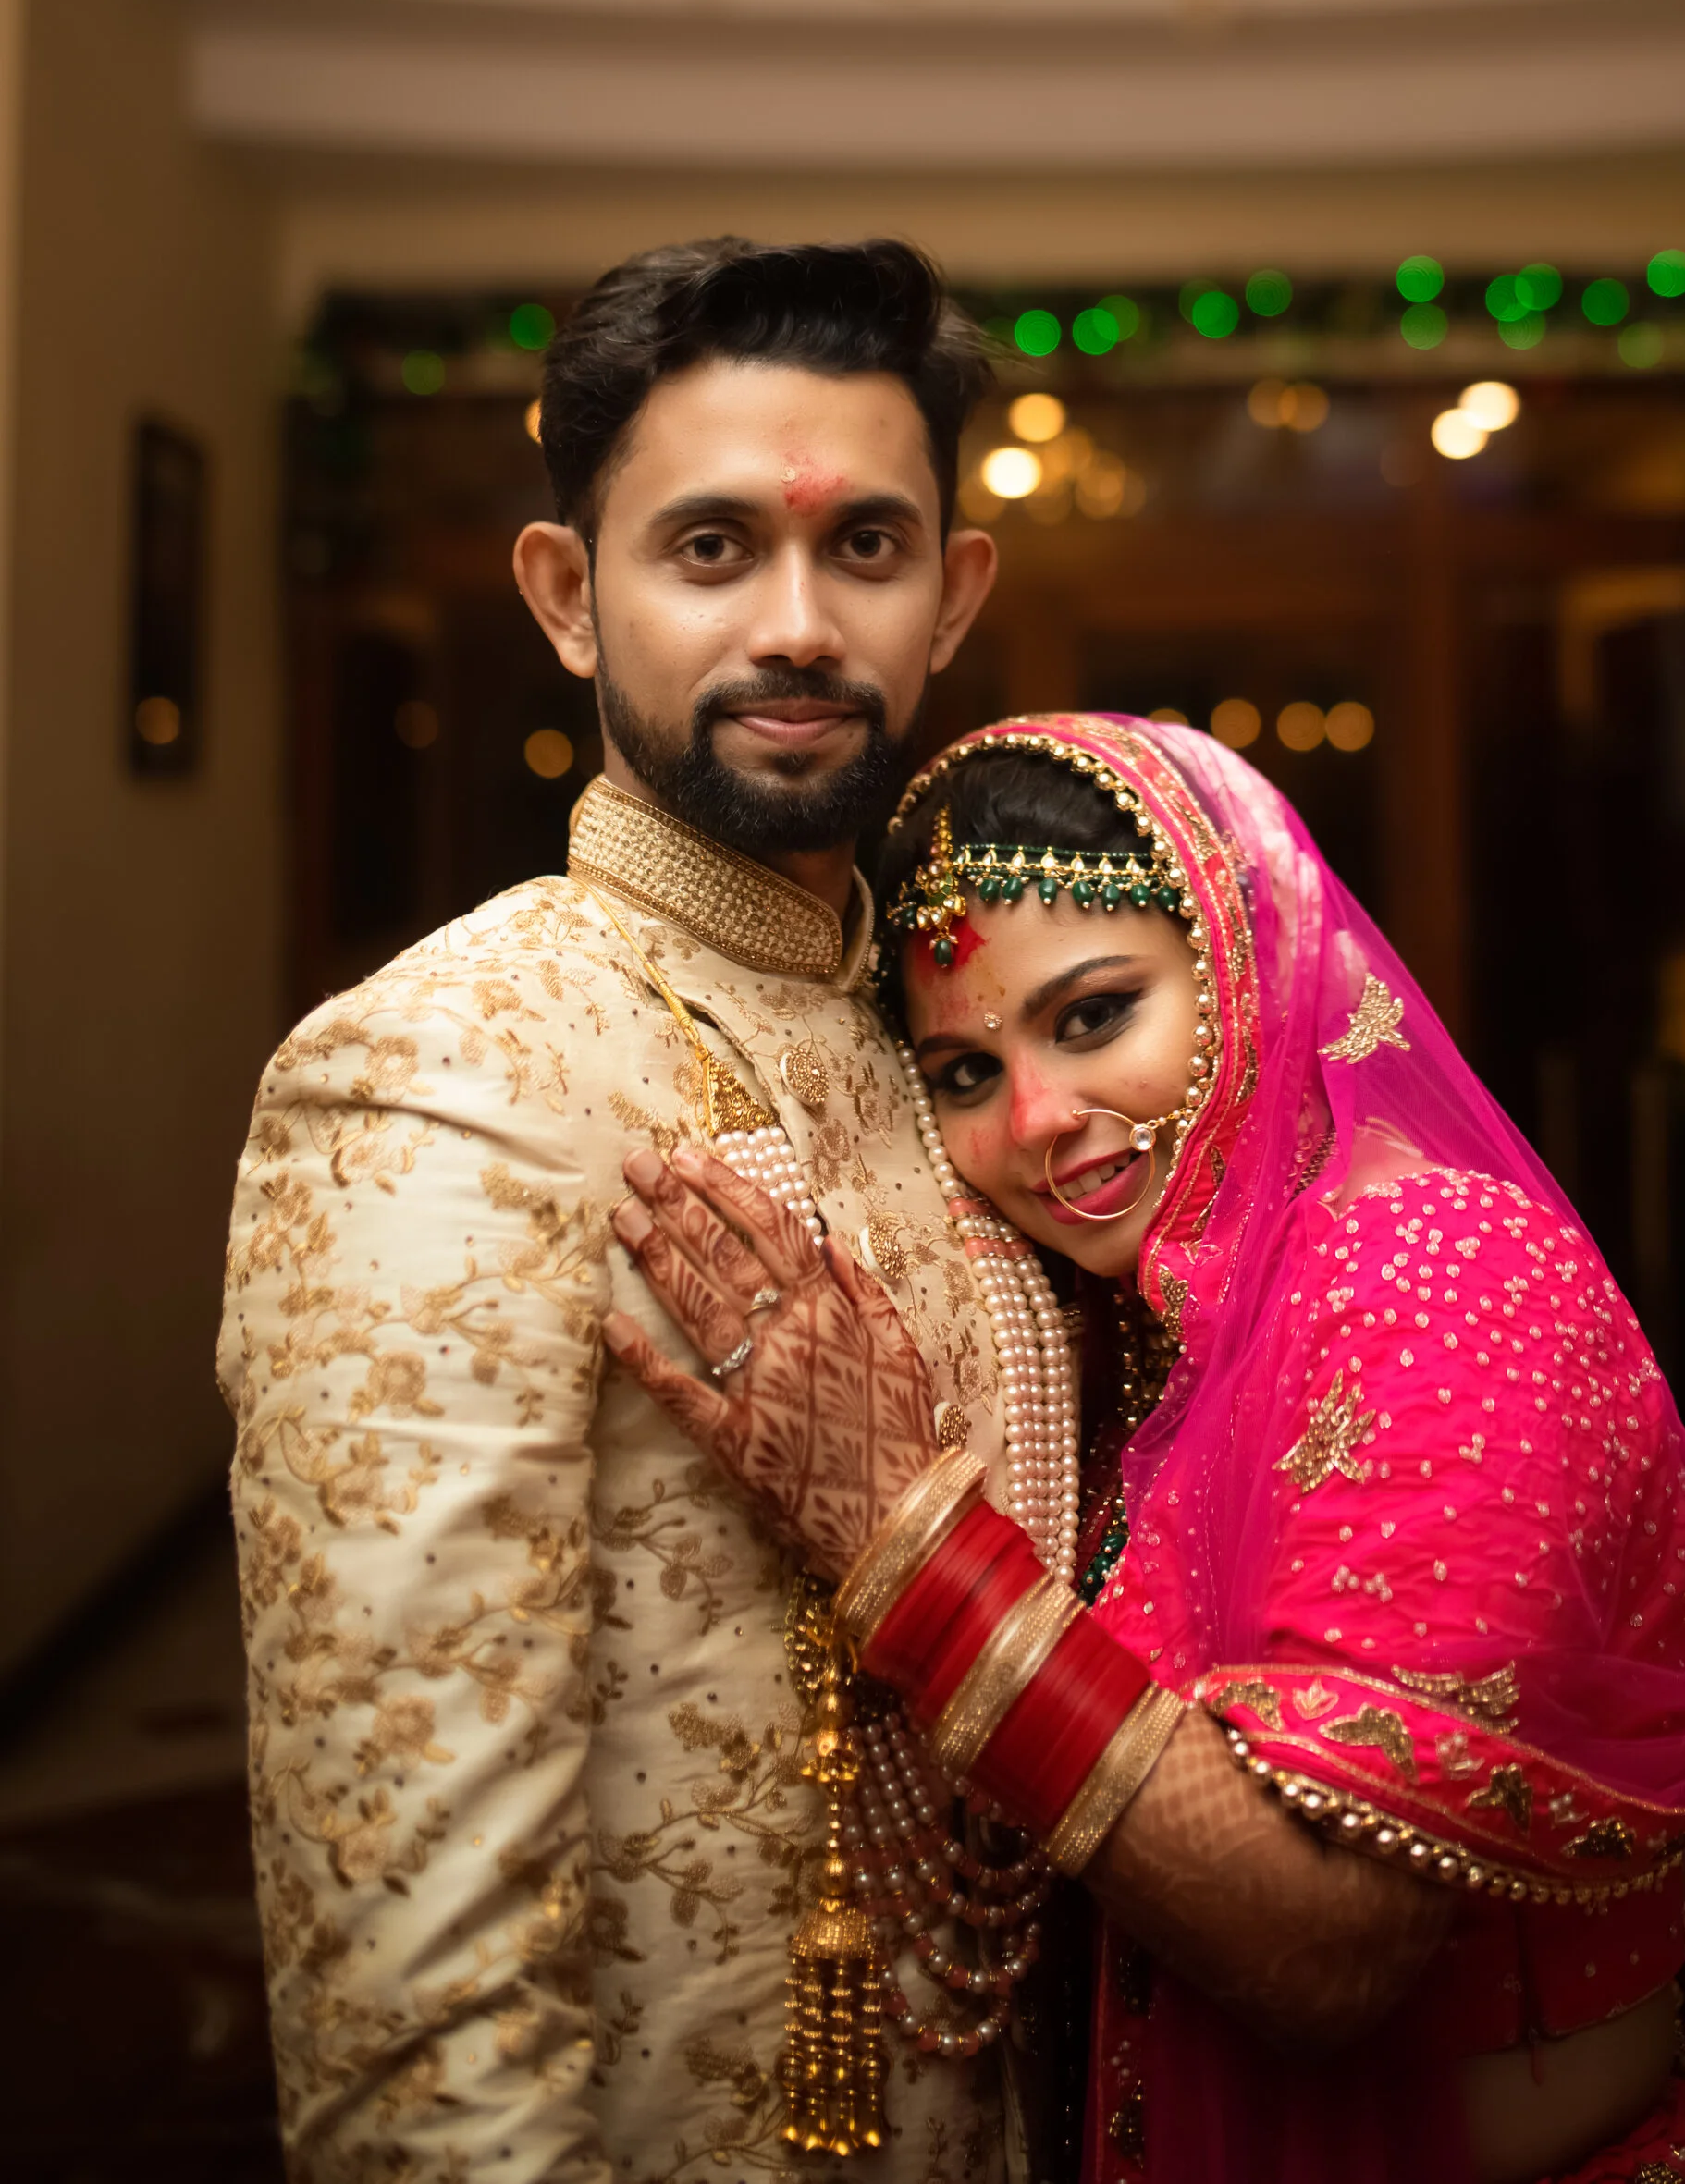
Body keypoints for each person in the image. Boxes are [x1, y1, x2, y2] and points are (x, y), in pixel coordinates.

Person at [609, 713, 1685, 2184]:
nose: (1039, 1120)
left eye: (1095, 1015)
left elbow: (1327, 1940)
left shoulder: (1429, 1270)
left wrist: (903, 1535)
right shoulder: (1158, 1324)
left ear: (1248, 959)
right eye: (965, 1072)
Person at [217, 239, 1079, 2184]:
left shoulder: (953, 1045)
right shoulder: (443, 1075)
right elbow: (409, 1982)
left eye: (863, 549)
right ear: (566, 600)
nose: (795, 623)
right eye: (709, 550)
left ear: (950, 602)